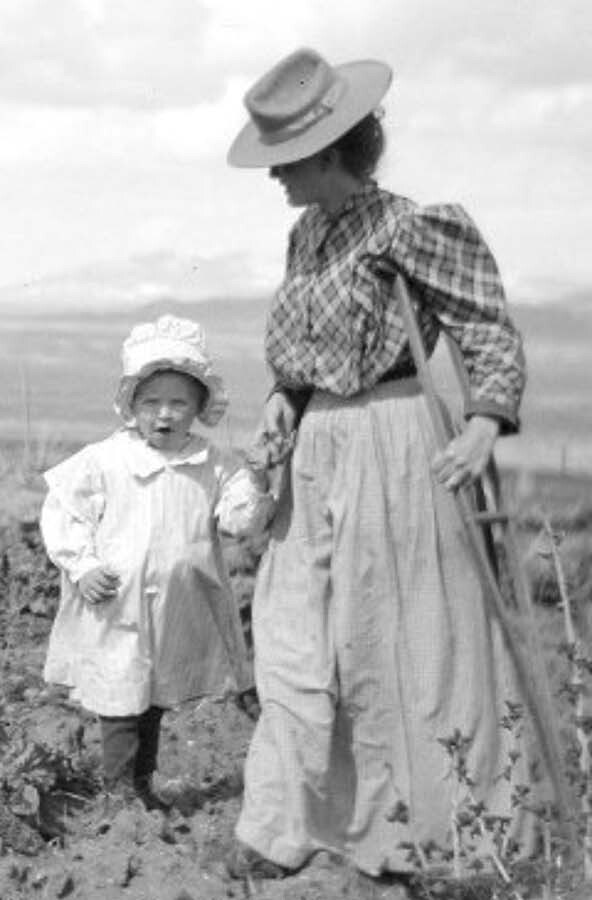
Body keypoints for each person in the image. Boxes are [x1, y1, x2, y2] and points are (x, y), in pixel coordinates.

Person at [224, 48, 541, 879]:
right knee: (293, 639)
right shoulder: (305, 233)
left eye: (284, 162)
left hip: (397, 441)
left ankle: (419, 838)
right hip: (316, 446)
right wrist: (279, 403)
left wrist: (484, 420)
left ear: (330, 152)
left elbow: (486, 327)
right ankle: (282, 825)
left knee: (389, 641)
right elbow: (296, 362)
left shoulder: (415, 225)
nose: (274, 179)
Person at [39, 314, 272, 810]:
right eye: (151, 402)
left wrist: (257, 483)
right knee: (121, 695)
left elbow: (240, 520)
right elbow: (65, 512)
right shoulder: (104, 460)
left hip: (178, 607)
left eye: (178, 403)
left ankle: (141, 782)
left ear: (200, 407)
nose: (164, 415)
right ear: (131, 405)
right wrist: (82, 567)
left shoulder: (215, 464)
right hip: (117, 604)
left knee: (153, 696)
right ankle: (118, 790)